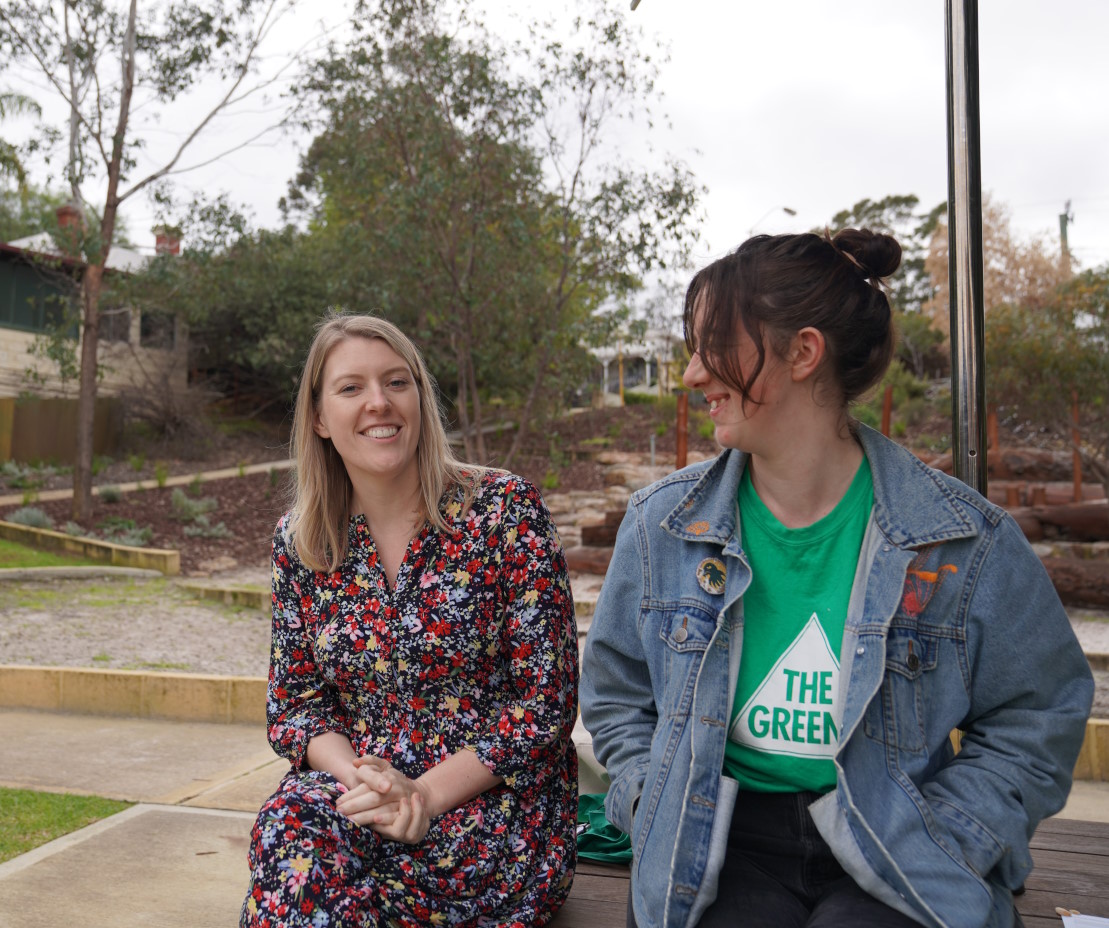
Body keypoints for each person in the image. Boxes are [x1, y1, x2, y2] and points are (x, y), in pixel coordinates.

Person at [580, 229, 1094, 928]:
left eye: (711, 347)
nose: (691, 375)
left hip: (899, 835)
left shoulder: (963, 538)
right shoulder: (659, 526)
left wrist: (954, 835)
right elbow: (615, 696)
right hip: (718, 842)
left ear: (801, 352)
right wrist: (650, 801)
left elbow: (1038, 713)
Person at [241, 313, 579, 928]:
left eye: (398, 382)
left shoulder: (504, 512)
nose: (379, 402)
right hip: (359, 789)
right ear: (318, 418)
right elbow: (296, 706)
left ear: (421, 398)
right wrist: (367, 781)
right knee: (292, 838)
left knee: (363, 891)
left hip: (487, 797)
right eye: (351, 388)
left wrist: (421, 794)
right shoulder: (301, 541)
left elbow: (545, 705)